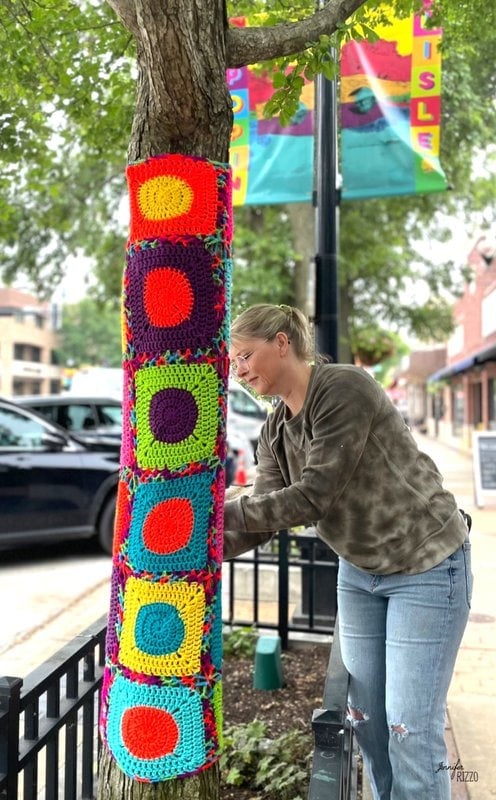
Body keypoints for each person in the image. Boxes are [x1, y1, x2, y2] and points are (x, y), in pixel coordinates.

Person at [223, 303, 472, 800]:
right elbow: (267, 512)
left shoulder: (342, 389)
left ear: (281, 342)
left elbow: (314, 496)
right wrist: (195, 547)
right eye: (234, 363)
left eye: (246, 356)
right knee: (369, 727)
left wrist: (212, 517)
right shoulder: (274, 430)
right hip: (360, 573)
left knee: (409, 730)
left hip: (425, 564)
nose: (240, 371)